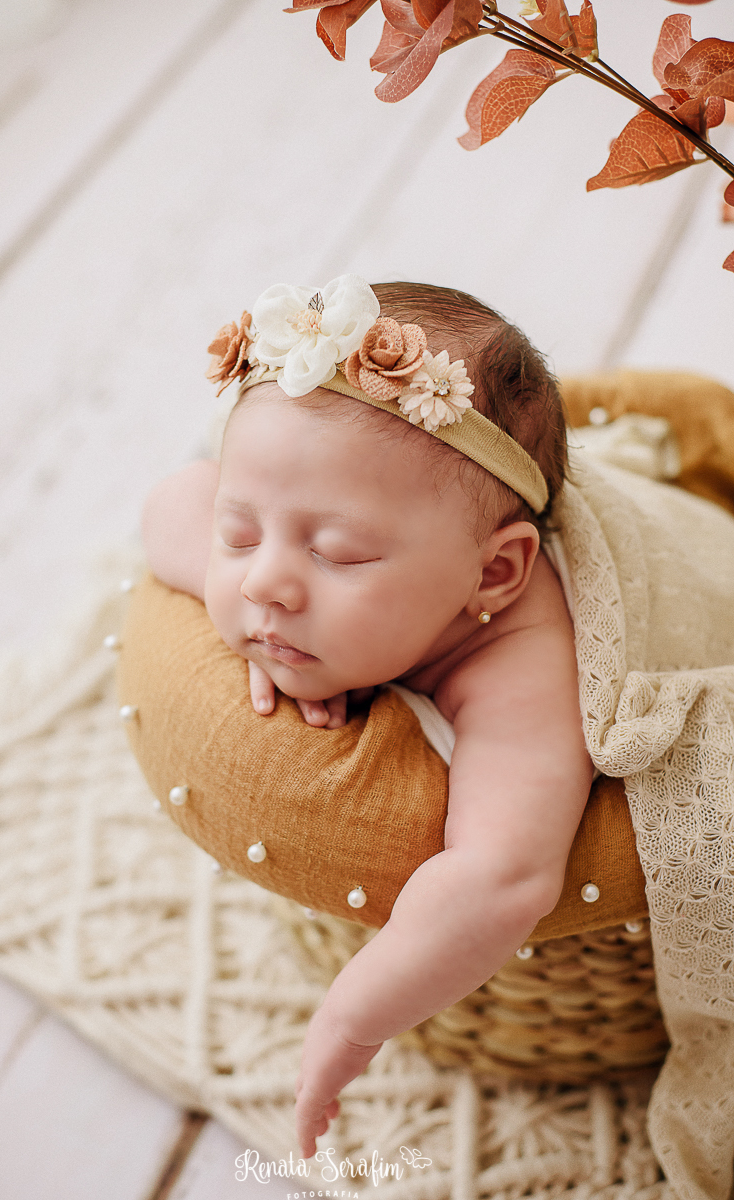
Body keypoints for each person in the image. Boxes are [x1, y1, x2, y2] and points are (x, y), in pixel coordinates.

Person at [141, 275, 595, 1157]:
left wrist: (352, 1019)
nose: (266, 579)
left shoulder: (524, 661)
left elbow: (503, 874)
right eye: (241, 533)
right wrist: (240, 606)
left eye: (337, 552)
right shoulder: (289, 551)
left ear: (492, 576)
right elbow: (170, 503)